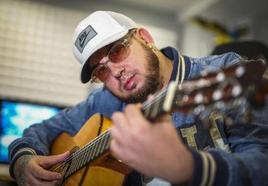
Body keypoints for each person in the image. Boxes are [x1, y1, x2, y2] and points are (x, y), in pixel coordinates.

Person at [8, 10, 268, 186]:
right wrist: (23, 161)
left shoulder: (221, 71)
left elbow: (262, 164)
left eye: (118, 51)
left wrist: (190, 167)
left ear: (145, 38)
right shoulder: (105, 101)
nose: (115, 72)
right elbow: (39, 130)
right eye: (101, 71)